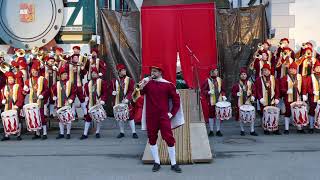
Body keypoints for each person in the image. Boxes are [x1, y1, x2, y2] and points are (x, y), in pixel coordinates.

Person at [139, 64, 183, 173]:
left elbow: (177, 101)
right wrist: (141, 86)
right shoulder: (147, 84)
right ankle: (157, 162)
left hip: (163, 116)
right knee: (152, 138)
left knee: (168, 138)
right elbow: (138, 95)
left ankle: (173, 163)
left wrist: (171, 114)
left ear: (160, 73)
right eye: (151, 71)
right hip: (151, 116)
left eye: (155, 71)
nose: (152, 73)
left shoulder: (168, 85)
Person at [80, 67, 108, 139]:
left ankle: (97, 132)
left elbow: (105, 92)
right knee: (88, 118)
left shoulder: (102, 82)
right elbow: (85, 93)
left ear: (97, 74)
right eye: (92, 73)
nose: (93, 74)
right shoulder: (87, 83)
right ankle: (85, 134)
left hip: (98, 103)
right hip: (90, 103)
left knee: (98, 117)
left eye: (95, 73)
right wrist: (85, 97)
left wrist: (103, 100)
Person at [111, 64, 138, 139]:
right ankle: (122, 132)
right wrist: (112, 92)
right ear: (119, 71)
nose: (124, 71)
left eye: (125, 70)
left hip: (126, 101)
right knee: (120, 117)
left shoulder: (129, 80)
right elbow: (110, 89)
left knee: (130, 117)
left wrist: (128, 98)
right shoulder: (114, 80)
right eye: (123, 70)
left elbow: (132, 90)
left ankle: (134, 132)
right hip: (117, 101)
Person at [23, 62, 49, 140]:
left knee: (41, 116)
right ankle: (37, 133)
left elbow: (47, 89)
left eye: (36, 70)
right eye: (33, 70)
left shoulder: (42, 79)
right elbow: (26, 91)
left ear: (38, 71)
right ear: (31, 71)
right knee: (34, 116)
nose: (35, 72)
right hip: (32, 100)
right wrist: (25, 90)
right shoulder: (28, 80)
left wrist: (43, 95)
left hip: (40, 100)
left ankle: (44, 133)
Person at [254, 64, 281, 135]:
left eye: (266, 70)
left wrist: (277, 98)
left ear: (269, 71)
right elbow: (257, 90)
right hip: (263, 100)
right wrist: (260, 98)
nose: (265, 72)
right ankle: (266, 128)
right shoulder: (258, 80)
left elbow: (277, 90)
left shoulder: (274, 79)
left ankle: (275, 129)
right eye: (263, 70)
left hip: (272, 100)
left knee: (274, 114)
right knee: (265, 114)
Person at [51, 66, 77, 139]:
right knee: (60, 119)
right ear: (61, 75)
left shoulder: (70, 83)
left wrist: (72, 98)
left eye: (66, 74)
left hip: (68, 103)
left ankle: (68, 133)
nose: (66, 75)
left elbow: (74, 92)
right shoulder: (57, 83)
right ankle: (61, 133)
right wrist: (54, 96)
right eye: (64, 74)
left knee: (68, 118)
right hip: (59, 103)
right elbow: (53, 91)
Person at [201, 67, 226, 137]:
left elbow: (223, 90)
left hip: (219, 101)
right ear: (211, 72)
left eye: (217, 70)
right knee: (211, 116)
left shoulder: (220, 80)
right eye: (215, 70)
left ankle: (218, 130)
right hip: (211, 101)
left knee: (218, 115)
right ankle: (211, 130)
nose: (216, 71)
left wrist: (223, 95)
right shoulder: (207, 80)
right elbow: (203, 90)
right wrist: (208, 92)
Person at [231, 68, 258, 136]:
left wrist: (253, 96)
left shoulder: (250, 83)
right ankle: (242, 130)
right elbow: (233, 93)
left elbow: (254, 91)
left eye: (245, 74)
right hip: (240, 103)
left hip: (248, 102)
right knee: (241, 117)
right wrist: (236, 94)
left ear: (246, 75)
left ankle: (252, 130)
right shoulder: (236, 85)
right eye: (242, 74)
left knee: (251, 116)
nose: (243, 75)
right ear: (240, 75)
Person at [280, 62, 304, 134]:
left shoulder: (300, 77)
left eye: (294, 69)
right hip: (288, 98)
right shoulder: (285, 78)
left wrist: (303, 95)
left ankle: (299, 128)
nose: (292, 70)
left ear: (296, 70)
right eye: (291, 68)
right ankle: (286, 129)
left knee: (298, 112)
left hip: (298, 98)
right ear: (289, 69)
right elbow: (282, 88)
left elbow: (303, 87)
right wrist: (286, 91)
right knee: (287, 113)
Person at [0, 72, 25, 141]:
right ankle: (7, 135)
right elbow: (3, 96)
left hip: (15, 106)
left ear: (14, 79)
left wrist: (18, 105)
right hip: (7, 105)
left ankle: (18, 134)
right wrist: (3, 100)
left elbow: (21, 97)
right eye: (9, 79)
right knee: (6, 120)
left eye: (11, 78)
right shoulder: (4, 87)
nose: (10, 80)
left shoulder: (18, 86)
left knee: (17, 120)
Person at [302, 61, 320, 134]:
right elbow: (307, 87)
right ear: (314, 68)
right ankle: (311, 127)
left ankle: (318, 125)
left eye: (319, 67)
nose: (318, 69)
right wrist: (312, 92)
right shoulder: (310, 77)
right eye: (317, 68)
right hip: (313, 97)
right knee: (312, 111)